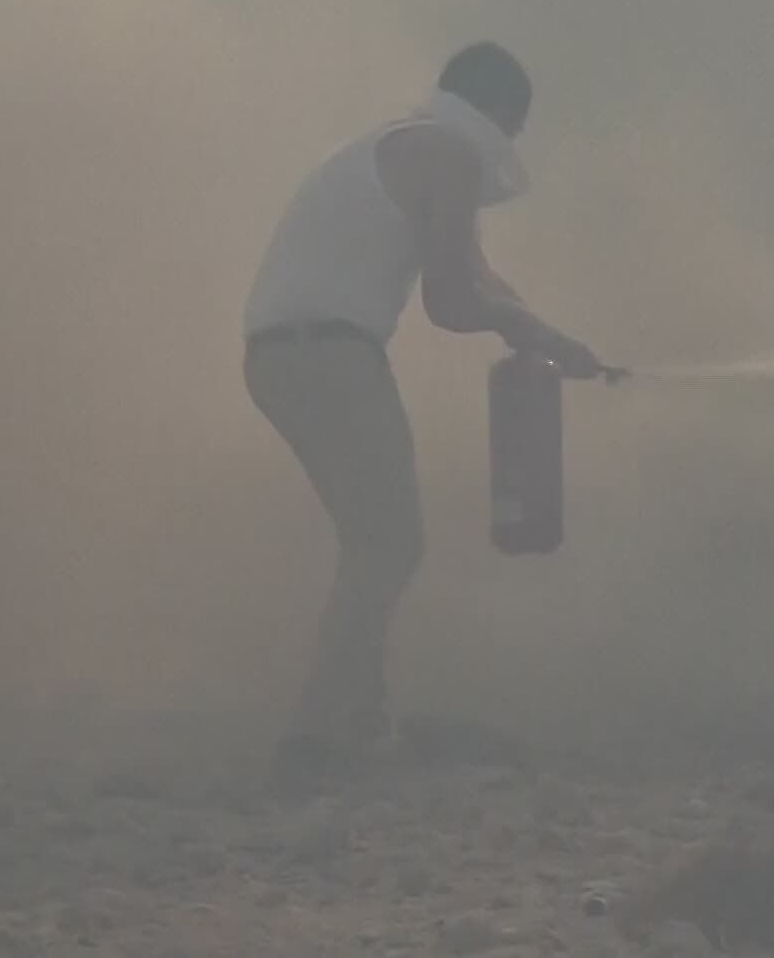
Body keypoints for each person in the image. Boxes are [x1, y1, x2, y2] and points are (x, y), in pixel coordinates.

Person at [241, 41, 608, 786]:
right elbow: (451, 300)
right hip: (331, 354)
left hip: (280, 356)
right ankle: (312, 744)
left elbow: (478, 274)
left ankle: (362, 722)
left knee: (371, 542)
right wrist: (533, 334)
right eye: (515, 125)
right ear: (499, 112)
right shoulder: (450, 153)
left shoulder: (411, 146)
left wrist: (548, 336)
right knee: (390, 545)